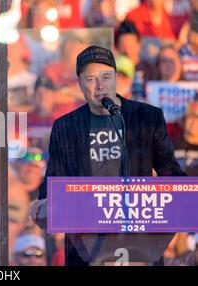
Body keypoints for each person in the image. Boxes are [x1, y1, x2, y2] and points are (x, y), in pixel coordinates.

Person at [30, 45, 186, 265]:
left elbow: (171, 174)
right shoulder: (66, 126)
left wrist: (183, 200)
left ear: (116, 79)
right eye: (91, 79)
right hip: (85, 247)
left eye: (106, 77)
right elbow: (51, 184)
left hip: (139, 246)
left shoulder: (147, 118)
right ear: (80, 84)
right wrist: (44, 206)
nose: (100, 86)